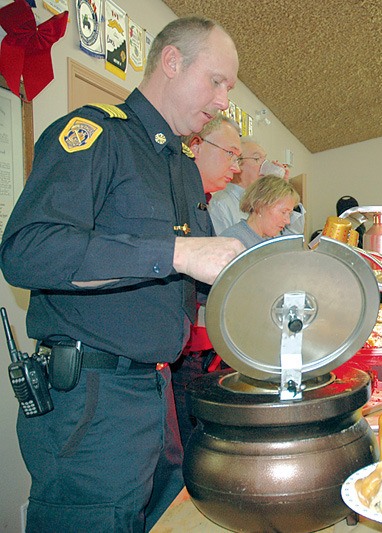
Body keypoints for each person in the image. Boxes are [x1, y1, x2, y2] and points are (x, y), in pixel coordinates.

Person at [0, 17, 245, 532]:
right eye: (217, 81)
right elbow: (28, 251)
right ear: (172, 62)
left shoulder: (179, 162)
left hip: (156, 394)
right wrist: (176, 251)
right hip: (91, 401)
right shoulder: (97, 134)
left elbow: (189, 276)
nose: (224, 99)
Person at [172, 112, 243, 447]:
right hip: (180, 354)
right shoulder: (178, 201)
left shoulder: (201, 203)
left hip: (198, 349)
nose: (236, 166)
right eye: (230, 153)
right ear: (196, 148)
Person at [208, 139, 305, 235]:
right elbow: (223, 246)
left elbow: (293, 235)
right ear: (237, 163)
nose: (265, 165)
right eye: (257, 159)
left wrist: (284, 194)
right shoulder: (221, 204)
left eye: (265, 159)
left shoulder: (267, 199)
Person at [220, 174, 300, 248]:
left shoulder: (268, 242)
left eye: (289, 214)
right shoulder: (233, 241)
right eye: (283, 212)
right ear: (260, 206)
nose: (288, 221)